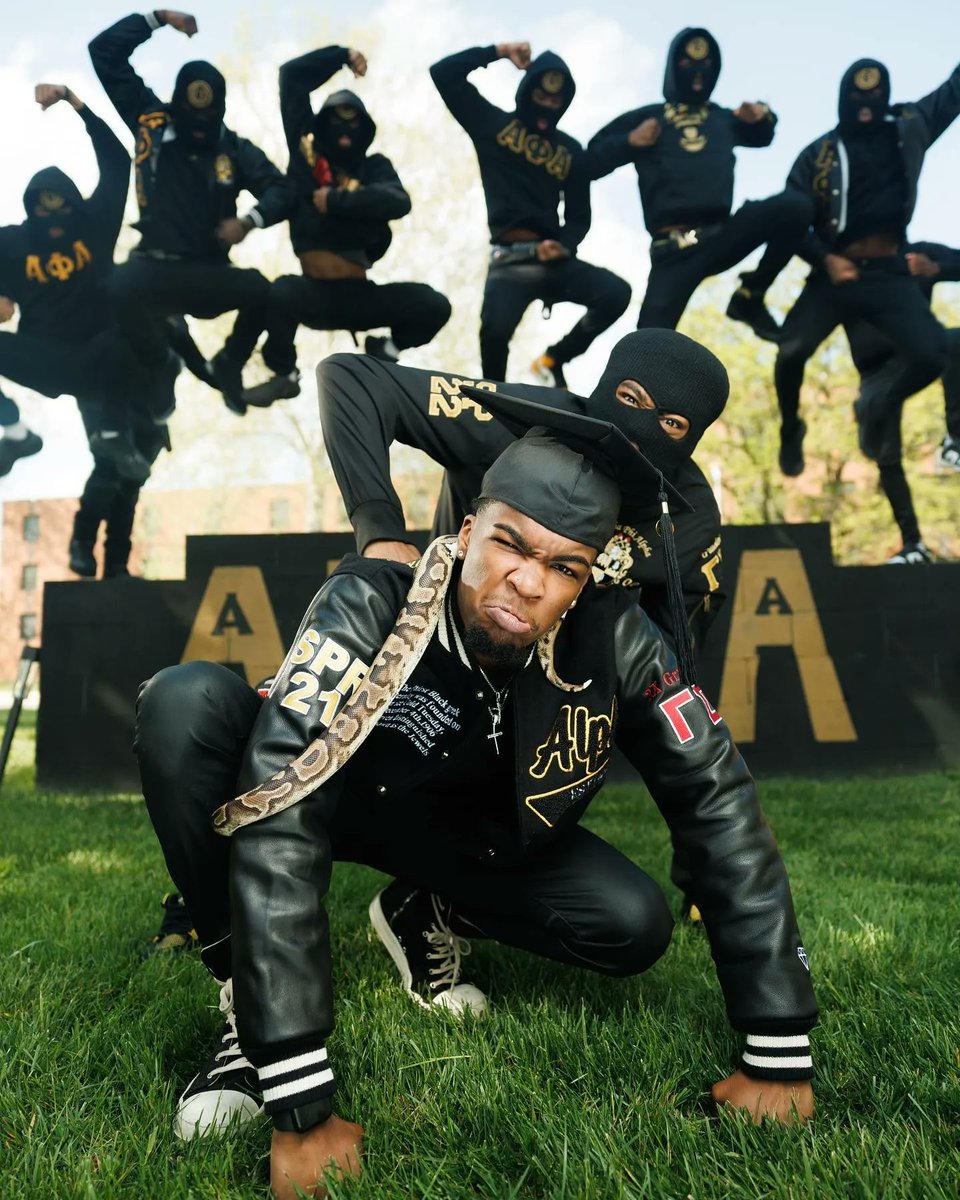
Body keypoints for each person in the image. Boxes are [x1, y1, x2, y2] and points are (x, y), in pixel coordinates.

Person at [136, 415, 816, 1199]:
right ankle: (239, 1011)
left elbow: (718, 800)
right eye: (510, 545)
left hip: (470, 834)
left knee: (632, 921)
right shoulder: (367, 600)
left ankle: (424, 913)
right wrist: (297, 1084)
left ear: (589, 576)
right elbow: (281, 794)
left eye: (564, 565)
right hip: (337, 799)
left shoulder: (617, 638)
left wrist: (778, 1047)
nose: (528, 582)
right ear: (466, 532)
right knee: (185, 703)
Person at [317, 328, 728, 648]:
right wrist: (380, 532)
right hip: (439, 634)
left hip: (557, 694)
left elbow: (676, 649)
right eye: (630, 398)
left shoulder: (688, 516)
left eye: (672, 423)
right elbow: (351, 378)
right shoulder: (517, 418)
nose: (637, 436)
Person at [733, 57, 959, 477]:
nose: (866, 104)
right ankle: (789, 427)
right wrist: (826, 258)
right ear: (842, 99)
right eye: (856, 96)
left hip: (888, 272)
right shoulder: (818, 154)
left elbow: (953, 90)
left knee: (932, 354)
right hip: (834, 274)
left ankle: (878, 400)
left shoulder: (910, 125)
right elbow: (792, 223)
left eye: (875, 95)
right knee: (790, 353)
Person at [89, 9, 293, 417]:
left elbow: (283, 189)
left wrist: (250, 221)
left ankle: (230, 362)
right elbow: (105, 52)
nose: (198, 131)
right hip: (154, 269)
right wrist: (158, 18)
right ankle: (160, 362)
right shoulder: (151, 122)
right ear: (177, 106)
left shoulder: (234, 149)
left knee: (264, 291)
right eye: (190, 121)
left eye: (208, 122)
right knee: (112, 288)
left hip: (208, 273)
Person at [241, 45, 451, 409]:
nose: (344, 132)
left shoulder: (374, 168)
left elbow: (399, 201)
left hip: (360, 297)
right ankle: (284, 374)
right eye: (336, 122)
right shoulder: (306, 157)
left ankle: (386, 350)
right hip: (312, 295)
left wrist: (340, 201)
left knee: (434, 304)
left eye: (353, 124)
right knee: (278, 291)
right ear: (322, 126)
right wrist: (342, 55)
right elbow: (291, 77)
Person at [430, 41, 630, 385]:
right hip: (509, 262)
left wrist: (565, 245)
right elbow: (444, 73)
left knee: (616, 293)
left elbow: (580, 216)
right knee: (493, 335)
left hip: (553, 259)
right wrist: (499, 51)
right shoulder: (492, 125)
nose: (548, 105)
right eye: (542, 96)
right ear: (527, 91)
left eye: (556, 101)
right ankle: (497, 404)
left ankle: (554, 360)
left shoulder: (570, 150)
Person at [587, 27, 810, 336]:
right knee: (644, 347)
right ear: (673, 67)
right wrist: (630, 141)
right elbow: (590, 161)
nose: (697, 72)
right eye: (688, 64)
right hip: (673, 252)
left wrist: (762, 114)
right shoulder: (648, 117)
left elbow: (764, 136)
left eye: (706, 66)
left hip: (724, 235)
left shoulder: (723, 117)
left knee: (796, 207)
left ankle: (750, 296)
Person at [0, 84, 154, 487]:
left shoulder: (95, 223)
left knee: (125, 322)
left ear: (74, 205)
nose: (52, 221)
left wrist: (75, 102)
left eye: (60, 208)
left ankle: (115, 434)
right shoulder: (11, 242)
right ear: (30, 209)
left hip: (98, 356)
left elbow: (118, 162)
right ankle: (14, 431)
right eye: (42, 209)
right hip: (43, 358)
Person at [843, 241, 960, 565]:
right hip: (876, 376)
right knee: (883, 453)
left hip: (917, 355)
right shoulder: (841, 268)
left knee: (954, 342)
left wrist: (936, 269)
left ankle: (955, 441)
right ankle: (914, 545)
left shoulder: (918, 255)